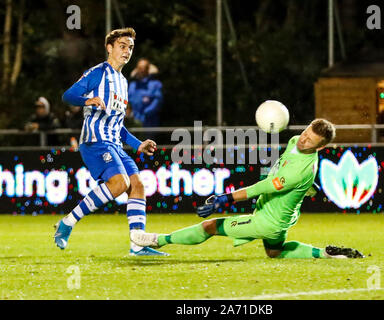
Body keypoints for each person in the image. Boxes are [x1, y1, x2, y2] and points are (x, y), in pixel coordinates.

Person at [131, 119, 364, 259]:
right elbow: (285, 172)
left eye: (310, 141)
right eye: (305, 134)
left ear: (320, 147)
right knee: (274, 252)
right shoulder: (295, 141)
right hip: (282, 218)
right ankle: (325, 253)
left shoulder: (300, 170)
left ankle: (155, 240)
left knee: (210, 226)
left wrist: (226, 198)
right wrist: (307, 187)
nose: (303, 141)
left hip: (268, 221)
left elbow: (263, 186)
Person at [55, 27, 167, 256]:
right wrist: (89, 99)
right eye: (122, 46)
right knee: (119, 183)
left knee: (137, 185)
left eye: (131, 48)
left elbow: (119, 125)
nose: (127, 52)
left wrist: (138, 145)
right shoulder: (98, 73)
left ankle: (137, 245)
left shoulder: (123, 82)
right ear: (109, 48)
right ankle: (67, 222)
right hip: (95, 141)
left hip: (114, 143)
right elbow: (67, 96)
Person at [128, 58, 163, 128]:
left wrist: (144, 114)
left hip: (150, 124)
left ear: (148, 69)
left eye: (144, 67)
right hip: (132, 123)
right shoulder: (132, 85)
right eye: (140, 68)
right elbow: (127, 103)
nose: (141, 70)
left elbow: (157, 103)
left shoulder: (156, 84)